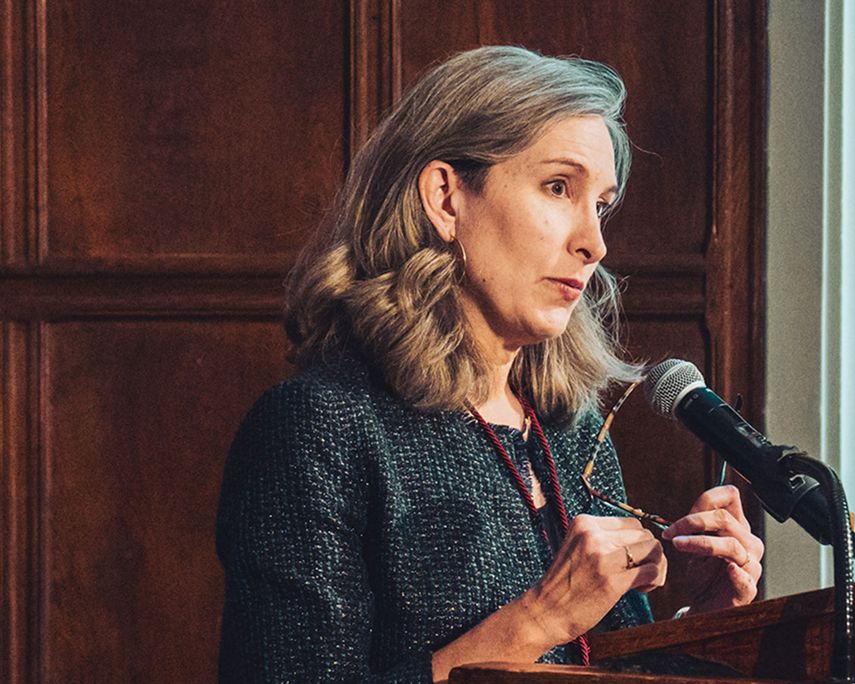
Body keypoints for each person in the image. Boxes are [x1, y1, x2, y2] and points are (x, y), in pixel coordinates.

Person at [215, 45, 764, 683]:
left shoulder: (572, 432)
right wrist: (540, 617)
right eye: (559, 187)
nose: (594, 242)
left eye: (601, 204)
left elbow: (596, 670)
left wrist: (707, 621)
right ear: (446, 198)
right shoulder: (320, 428)